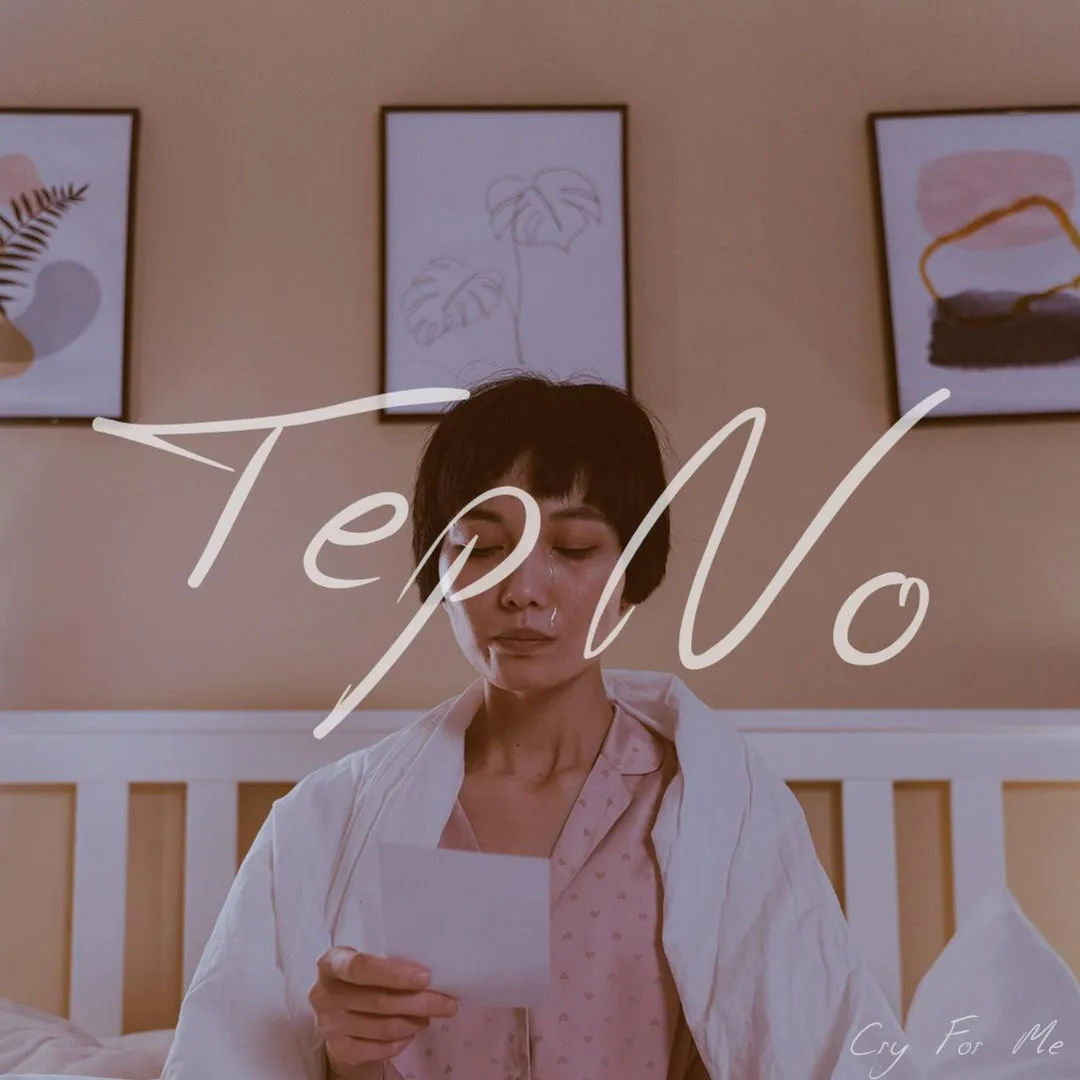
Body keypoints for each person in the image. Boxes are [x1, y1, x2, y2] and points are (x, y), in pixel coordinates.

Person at [162, 374, 920, 1080]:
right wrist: (341, 1053)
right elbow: (226, 1055)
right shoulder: (322, 821)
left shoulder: (727, 809)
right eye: (483, 548)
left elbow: (812, 1042)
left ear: (632, 568)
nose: (522, 589)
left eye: (572, 548)